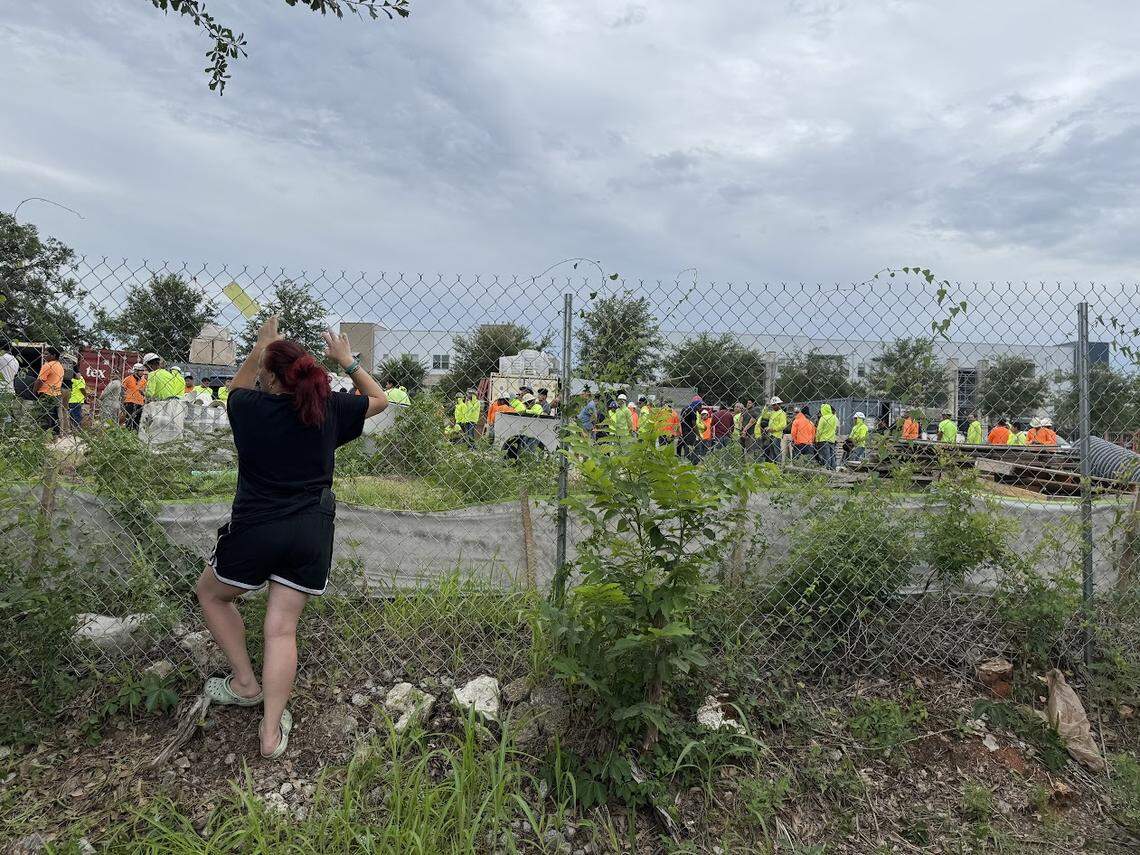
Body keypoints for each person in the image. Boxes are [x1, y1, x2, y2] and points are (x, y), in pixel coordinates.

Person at [196, 316, 387, 760]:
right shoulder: (327, 409)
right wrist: (347, 360)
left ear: (269, 374)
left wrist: (260, 347)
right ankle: (269, 734)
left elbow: (235, 390)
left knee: (211, 594)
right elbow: (378, 398)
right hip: (309, 532)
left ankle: (244, 683)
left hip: (255, 528)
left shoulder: (248, 409)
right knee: (281, 629)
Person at [35, 347, 65, 434]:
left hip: (46, 393)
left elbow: (40, 380)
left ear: (53, 355)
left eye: (46, 354)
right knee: (54, 416)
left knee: (43, 416)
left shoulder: (47, 365)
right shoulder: (60, 366)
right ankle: (55, 435)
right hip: (56, 394)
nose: (44, 356)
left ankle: (42, 435)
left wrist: (34, 391)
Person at [123, 363, 147, 430]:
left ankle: (135, 434)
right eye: (141, 370)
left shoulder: (144, 381)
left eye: (143, 370)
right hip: (130, 402)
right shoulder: (128, 379)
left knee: (137, 422)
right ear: (136, 371)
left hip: (140, 404)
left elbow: (145, 392)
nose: (142, 372)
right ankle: (128, 433)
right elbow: (122, 390)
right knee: (129, 421)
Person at [764, 397, 787, 464]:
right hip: (770, 435)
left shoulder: (782, 413)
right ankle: (774, 467)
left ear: (779, 404)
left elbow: (783, 425)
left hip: (776, 436)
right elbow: (764, 415)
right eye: (772, 405)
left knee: (776, 452)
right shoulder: (772, 412)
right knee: (772, 453)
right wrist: (766, 406)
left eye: (774, 405)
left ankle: (779, 466)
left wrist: (772, 429)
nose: (773, 406)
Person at [679, 395, 702, 461]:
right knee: (697, 445)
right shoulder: (693, 411)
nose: (700, 407)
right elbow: (694, 425)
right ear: (697, 404)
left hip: (683, 431)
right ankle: (694, 460)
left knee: (686, 445)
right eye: (700, 405)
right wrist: (699, 435)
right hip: (689, 431)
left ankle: (687, 459)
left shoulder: (685, 408)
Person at [816, 403, 838, 470]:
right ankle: (833, 468)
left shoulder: (823, 418)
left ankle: (827, 469)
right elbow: (837, 428)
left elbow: (819, 430)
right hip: (832, 439)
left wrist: (817, 439)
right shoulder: (834, 417)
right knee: (832, 455)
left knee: (826, 456)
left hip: (823, 439)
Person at [67, 365, 87, 430]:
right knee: (77, 416)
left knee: (72, 416)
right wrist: (86, 396)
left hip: (71, 400)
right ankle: (77, 430)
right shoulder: (80, 379)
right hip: (77, 400)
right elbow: (82, 389)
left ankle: (73, 429)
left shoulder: (71, 379)